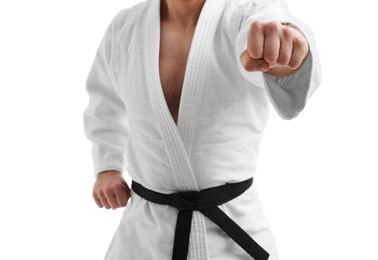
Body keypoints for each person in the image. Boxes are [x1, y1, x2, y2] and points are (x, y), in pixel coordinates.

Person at [83, 0, 321, 259]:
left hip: (233, 234)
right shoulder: (124, 28)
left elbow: (271, 32)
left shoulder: (247, 14)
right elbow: (105, 102)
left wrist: (284, 48)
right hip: (145, 235)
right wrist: (107, 167)